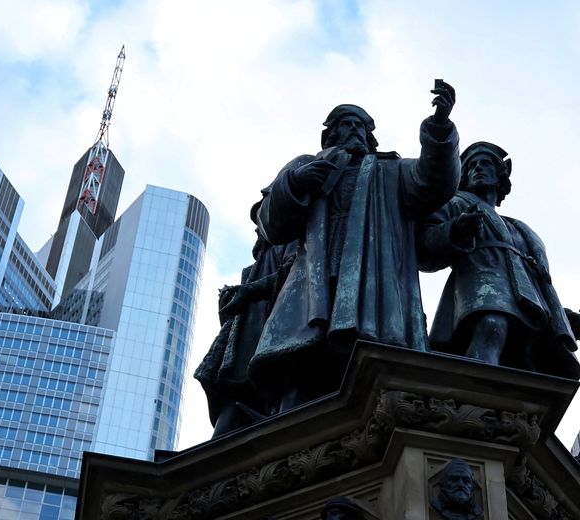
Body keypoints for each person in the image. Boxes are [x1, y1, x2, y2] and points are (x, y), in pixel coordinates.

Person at [249, 81, 461, 410]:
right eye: (346, 125)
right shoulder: (306, 165)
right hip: (311, 281)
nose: (354, 131)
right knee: (300, 365)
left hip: (370, 280)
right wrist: (297, 182)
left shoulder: (389, 170)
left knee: (366, 362)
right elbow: (269, 223)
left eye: (360, 126)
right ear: (330, 135)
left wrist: (439, 128)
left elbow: (435, 181)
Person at [417, 141, 580, 378]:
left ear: (500, 176)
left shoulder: (518, 228)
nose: (477, 169)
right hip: (478, 285)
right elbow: (425, 243)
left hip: (525, 300)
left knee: (524, 352)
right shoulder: (456, 204)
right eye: (471, 166)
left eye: (485, 164)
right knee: (492, 325)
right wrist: (455, 229)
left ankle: (508, 406)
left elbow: (535, 279)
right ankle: (473, 396)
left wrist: (561, 315)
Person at [194, 202, 297, 436]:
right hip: (243, 352)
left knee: (273, 395)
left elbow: (295, 275)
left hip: (275, 337)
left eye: (261, 220)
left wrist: (250, 291)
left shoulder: (291, 244)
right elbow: (235, 319)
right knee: (231, 405)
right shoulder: (251, 268)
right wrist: (229, 304)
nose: (257, 229)